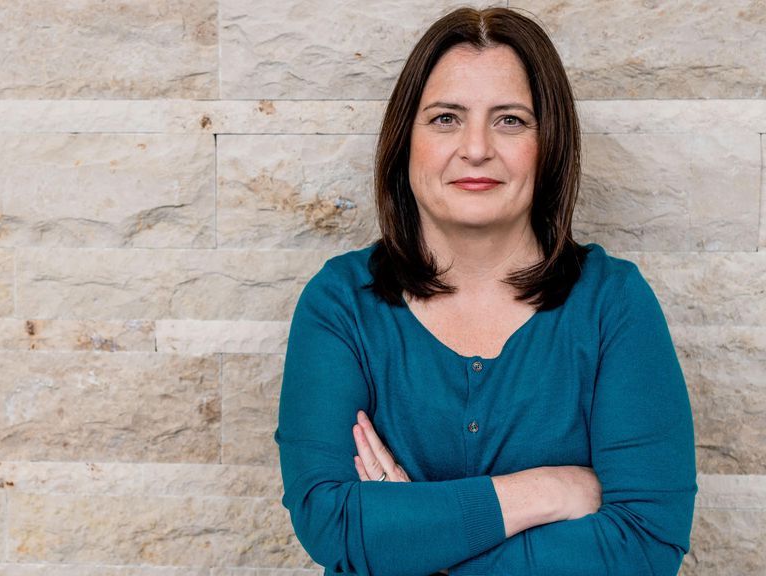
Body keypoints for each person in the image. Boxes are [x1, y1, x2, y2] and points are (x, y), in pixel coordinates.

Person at [275, 6, 697, 576]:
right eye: (446, 118)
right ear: (406, 141)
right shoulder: (341, 304)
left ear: (549, 144)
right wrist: (544, 492)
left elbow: (645, 544)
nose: (476, 149)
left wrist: (410, 544)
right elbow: (333, 522)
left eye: (510, 120)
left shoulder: (614, 305)